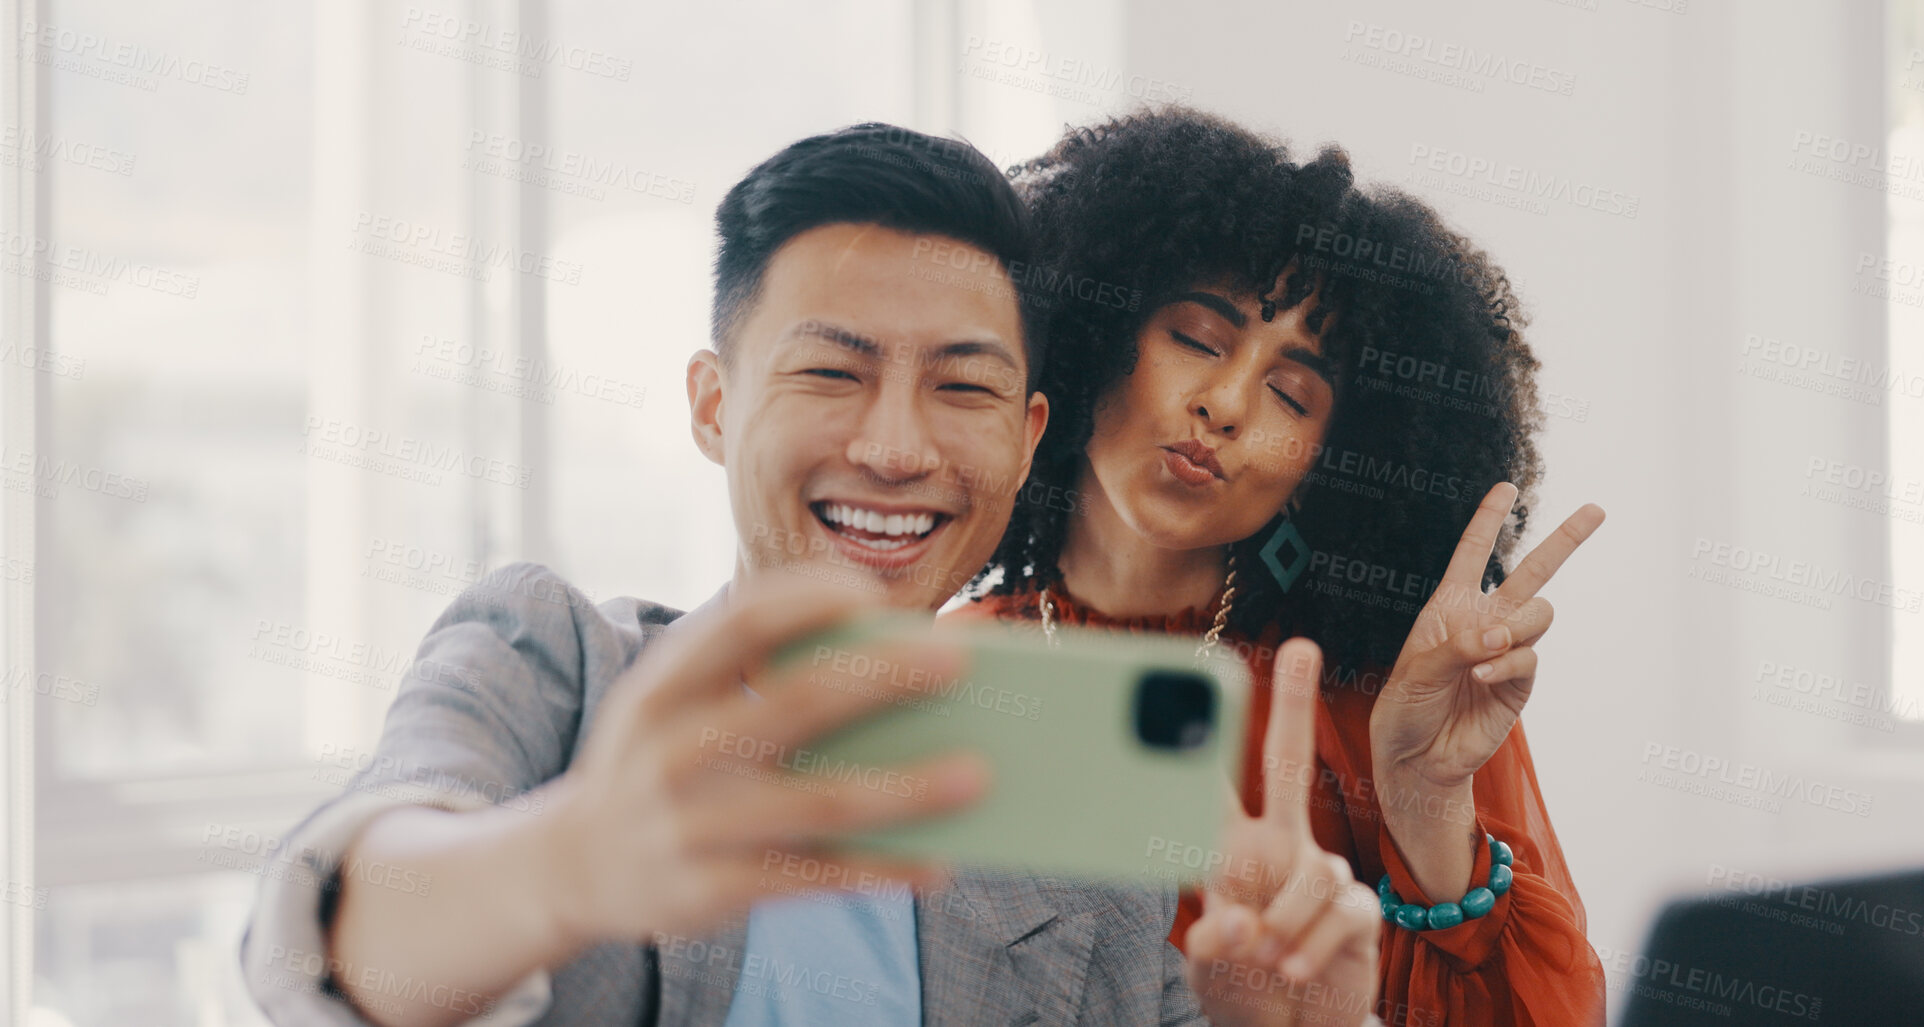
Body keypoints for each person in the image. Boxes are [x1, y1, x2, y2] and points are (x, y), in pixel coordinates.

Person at [239, 121, 1387, 1027]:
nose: (895, 448)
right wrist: (564, 864)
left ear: (1031, 435)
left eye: (964, 387)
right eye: (832, 372)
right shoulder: (556, 660)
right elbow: (327, 939)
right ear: (714, 404)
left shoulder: (1070, 815)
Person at [956, 107, 1610, 1026]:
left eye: (1291, 393)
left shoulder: (1384, 697)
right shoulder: (949, 676)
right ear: (1095, 335)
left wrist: (1426, 807)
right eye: (1196, 339)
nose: (1223, 405)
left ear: (1320, 470)